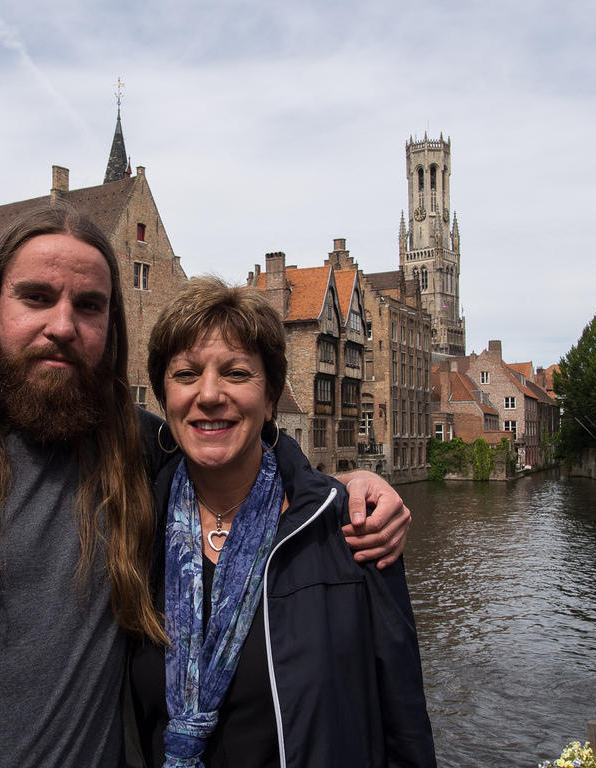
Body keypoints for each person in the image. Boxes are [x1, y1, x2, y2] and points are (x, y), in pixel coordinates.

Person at [0, 205, 412, 767]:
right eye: (35, 297)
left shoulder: (138, 450)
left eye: (88, 306)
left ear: (111, 326)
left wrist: (344, 484)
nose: (62, 324)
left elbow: (235, 440)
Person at [126, 278, 436, 767]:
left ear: (271, 397)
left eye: (235, 373)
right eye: (186, 373)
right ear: (164, 399)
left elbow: (403, 726)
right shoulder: (133, 528)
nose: (209, 394)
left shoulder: (346, 530)